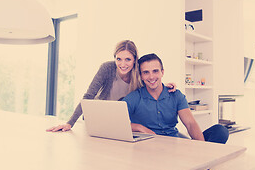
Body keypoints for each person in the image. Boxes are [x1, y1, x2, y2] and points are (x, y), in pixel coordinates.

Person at [123, 53, 229, 170]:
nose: (151, 77)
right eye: (146, 72)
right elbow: (116, 122)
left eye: (155, 71)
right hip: (152, 152)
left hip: (177, 147)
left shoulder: (175, 95)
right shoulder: (134, 97)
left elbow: (190, 124)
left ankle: (196, 164)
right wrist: (139, 127)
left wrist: (201, 150)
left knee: (220, 130)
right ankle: (196, 167)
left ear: (162, 72)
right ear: (141, 75)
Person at [47, 40, 176, 132]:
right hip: (99, 117)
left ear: (135, 60)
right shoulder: (107, 68)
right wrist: (70, 123)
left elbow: (151, 81)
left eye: (128, 59)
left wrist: (165, 86)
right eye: (118, 59)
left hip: (121, 122)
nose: (122, 64)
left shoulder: (139, 74)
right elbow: (88, 96)